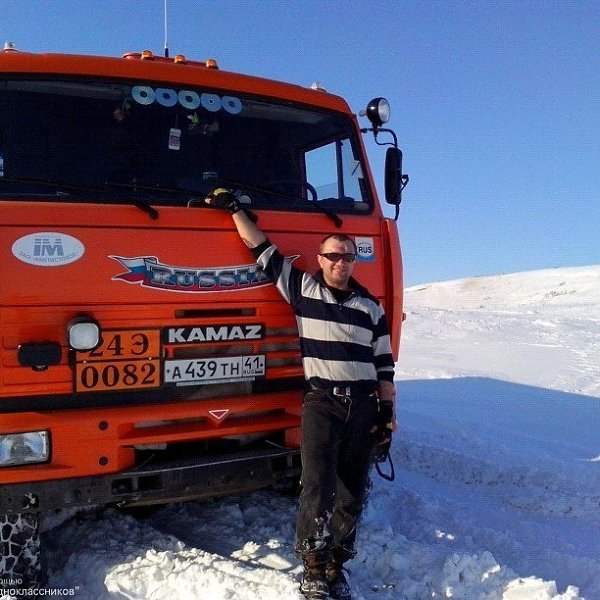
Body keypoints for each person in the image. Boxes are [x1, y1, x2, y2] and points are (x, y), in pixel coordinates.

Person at [206, 189, 397, 600]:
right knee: (317, 487)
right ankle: (312, 567)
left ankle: (336, 566)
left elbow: (384, 365)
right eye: (334, 256)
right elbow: (262, 249)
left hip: (364, 408)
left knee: (352, 492)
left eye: (348, 257)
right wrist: (236, 211)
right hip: (322, 404)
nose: (341, 263)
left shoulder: (371, 307)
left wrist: (386, 416)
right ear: (320, 259)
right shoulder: (303, 290)